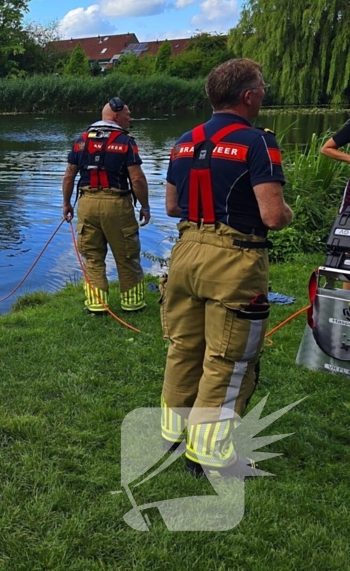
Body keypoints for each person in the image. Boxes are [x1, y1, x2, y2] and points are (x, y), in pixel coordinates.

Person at [159, 58, 293, 478]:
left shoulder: (184, 140)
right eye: (262, 88)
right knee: (230, 358)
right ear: (248, 96)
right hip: (234, 258)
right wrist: (288, 211)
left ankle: (172, 434)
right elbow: (272, 216)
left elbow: (171, 206)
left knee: (184, 346)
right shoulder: (258, 142)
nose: (264, 93)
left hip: (185, 252)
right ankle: (211, 454)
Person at [62, 97, 151, 315]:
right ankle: (132, 304)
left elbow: (69, 176)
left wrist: (66, 204)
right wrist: (146, 206)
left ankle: (96, 305)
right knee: (127, 255)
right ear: (115, 116)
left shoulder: (81, 140)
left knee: (92, 256)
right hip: (117, 203)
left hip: (87, 203)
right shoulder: (126, 141)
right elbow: (137, 179)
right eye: (127, 115)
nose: (130, 118)